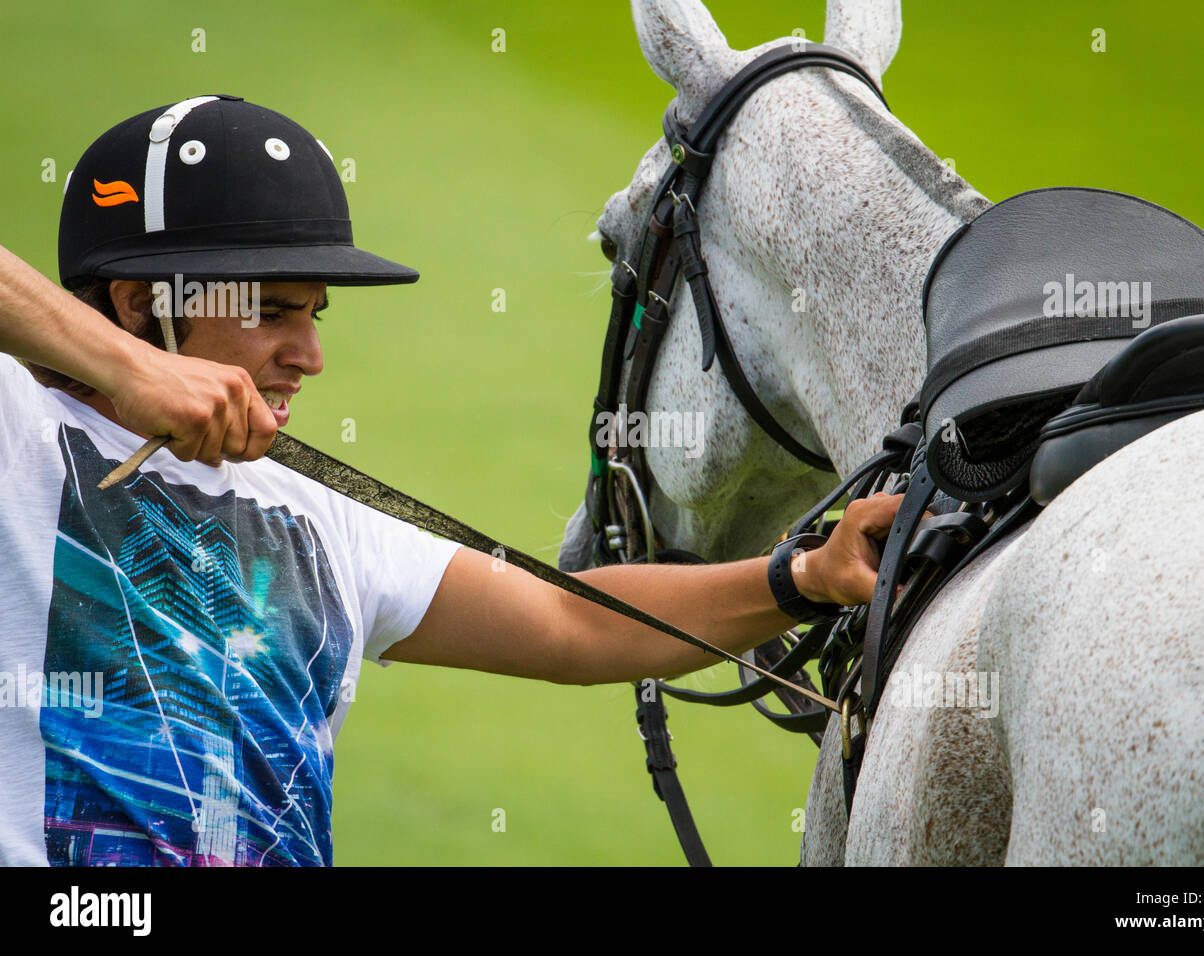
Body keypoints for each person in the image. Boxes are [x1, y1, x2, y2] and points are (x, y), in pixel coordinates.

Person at [0, 96, 901, 866]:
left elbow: (569, 619)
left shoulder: (314, 511)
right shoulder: (20, 434)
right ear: (135, 303)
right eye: (272, 312)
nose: (310, 355)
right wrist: (126, 371)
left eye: (315, 314)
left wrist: (802, 577)